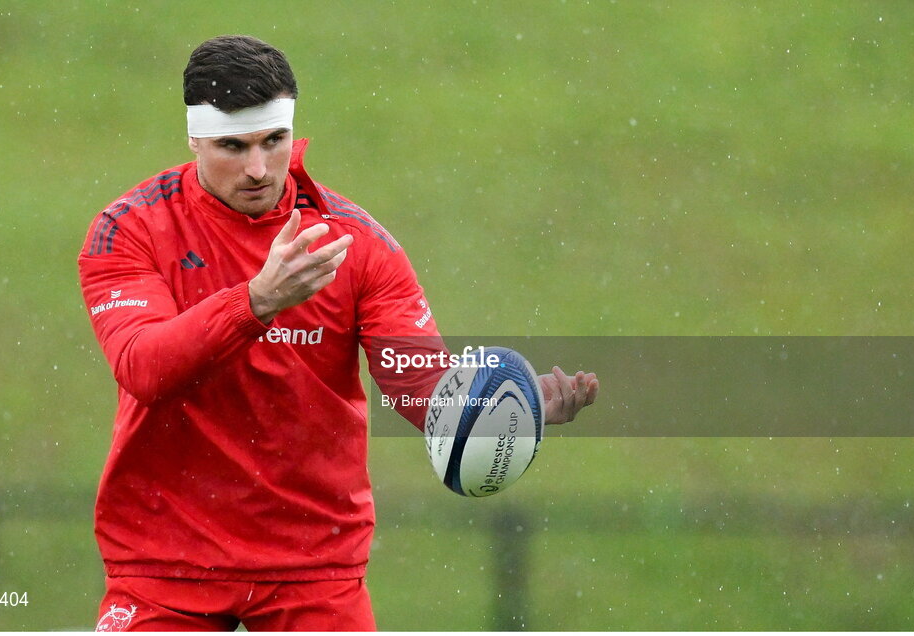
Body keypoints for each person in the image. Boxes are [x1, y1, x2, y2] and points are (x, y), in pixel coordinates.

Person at [78, 34, 598, 632]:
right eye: (233, 146)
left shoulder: (358, 244)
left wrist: (504, 404)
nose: (258, 168)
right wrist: (256, 301)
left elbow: (419, 384)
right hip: (165, 562)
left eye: (274, 141)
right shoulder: (129, 229)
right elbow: (145, 367)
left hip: (314, 567)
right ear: (194, 139)